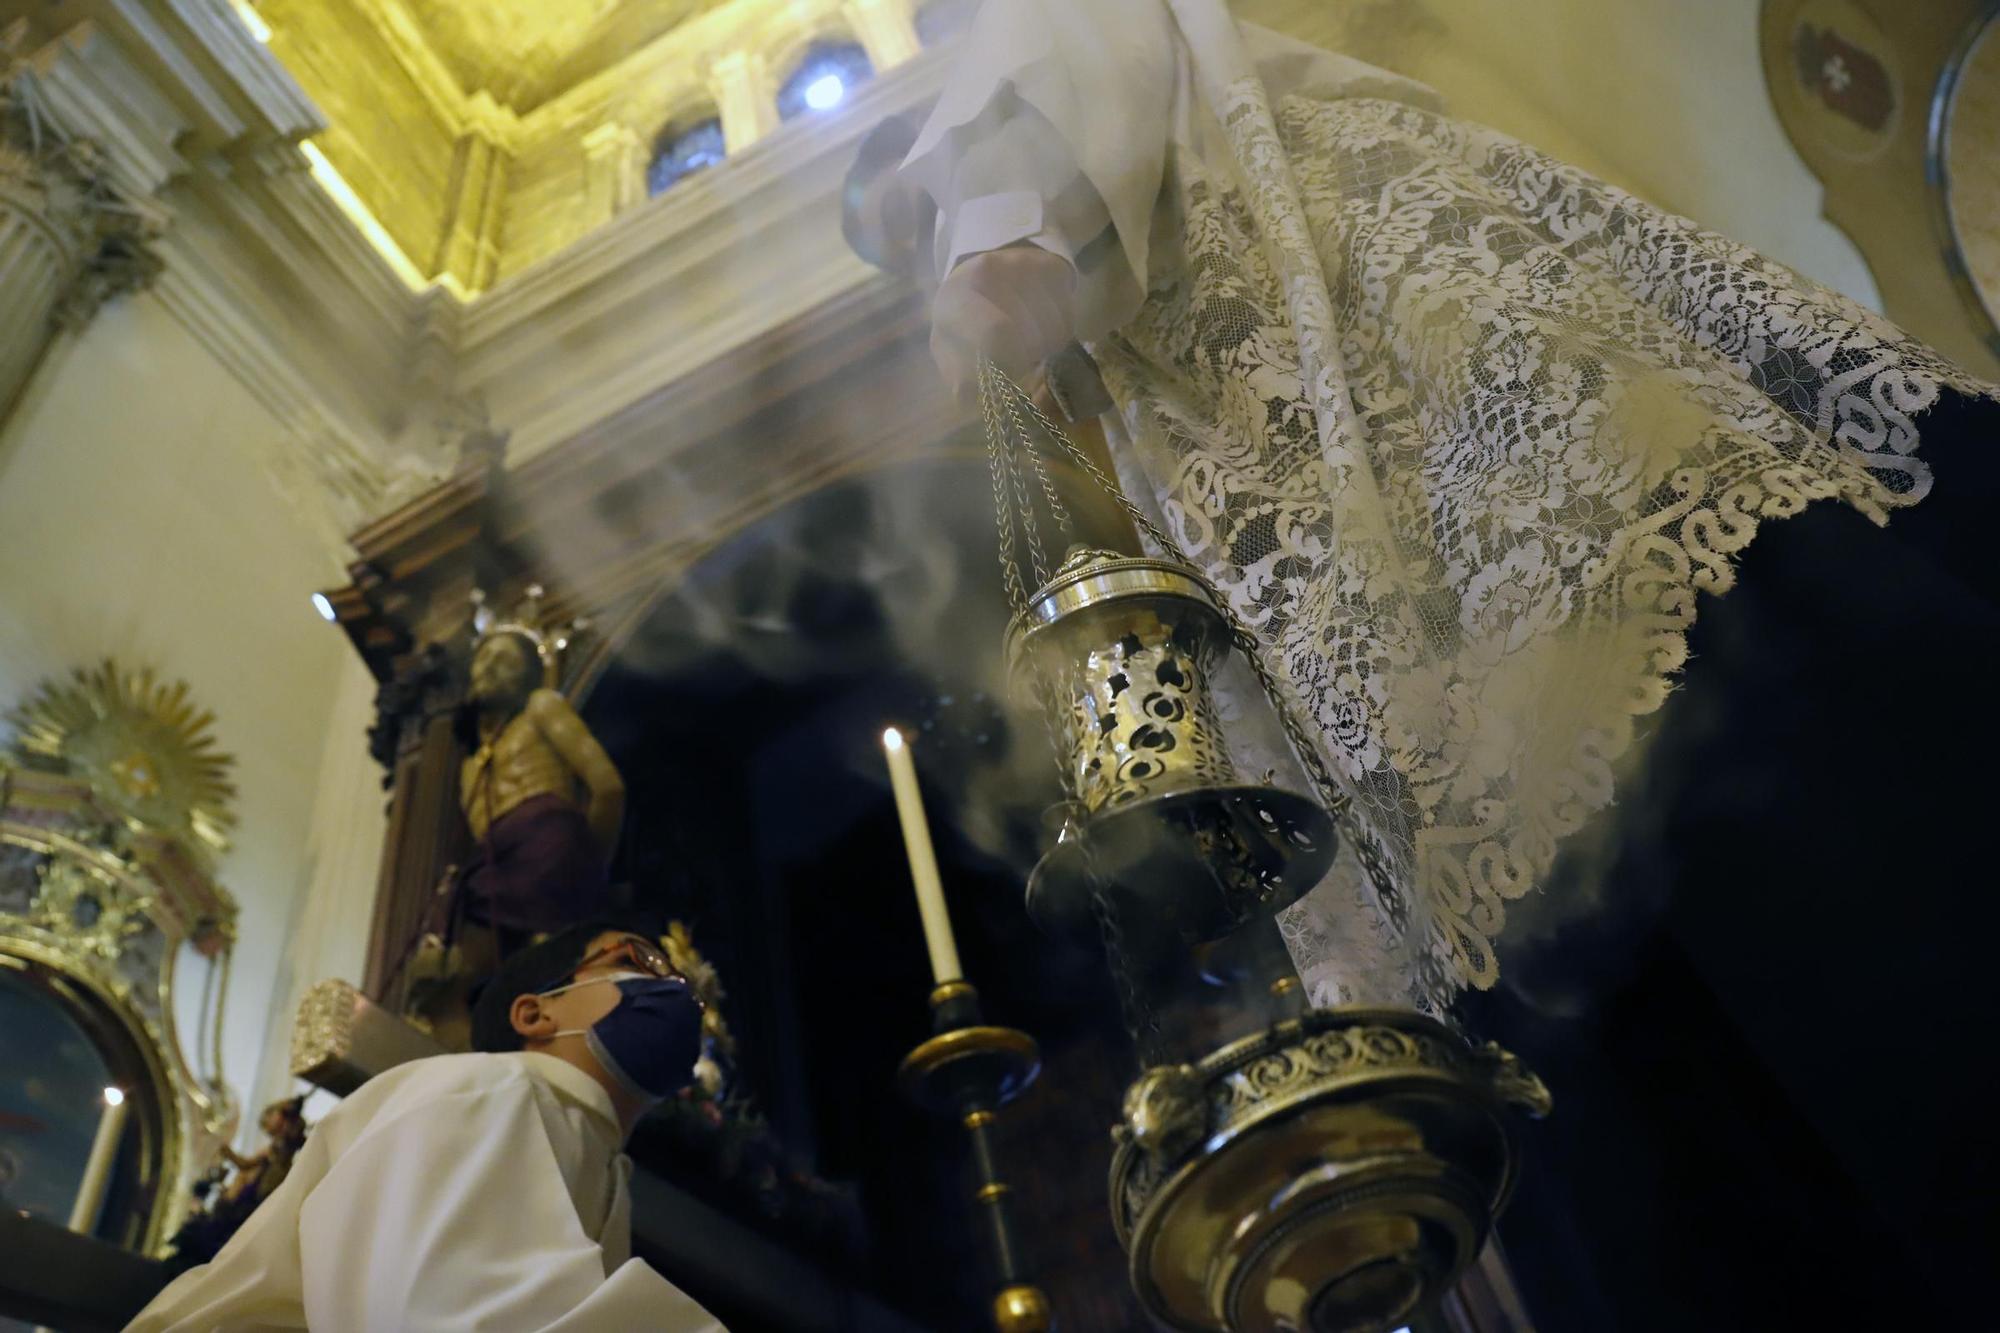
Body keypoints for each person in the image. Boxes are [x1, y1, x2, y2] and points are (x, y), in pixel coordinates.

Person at [845, 0, 1997, 1010]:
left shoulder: (999, 77)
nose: (923, 245)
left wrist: (997, 249)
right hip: (1277, 452)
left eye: (913, 224)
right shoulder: (1102, 318)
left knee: (1669, 638)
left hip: (1380, 327)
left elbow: (1038, 101)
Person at [127, 923, 722, 1332]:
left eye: (678, 980)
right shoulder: (494, 1094)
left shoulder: (596, 1156)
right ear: (536, 1011)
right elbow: (441, 1319)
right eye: (636, 961)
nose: (671, 987)